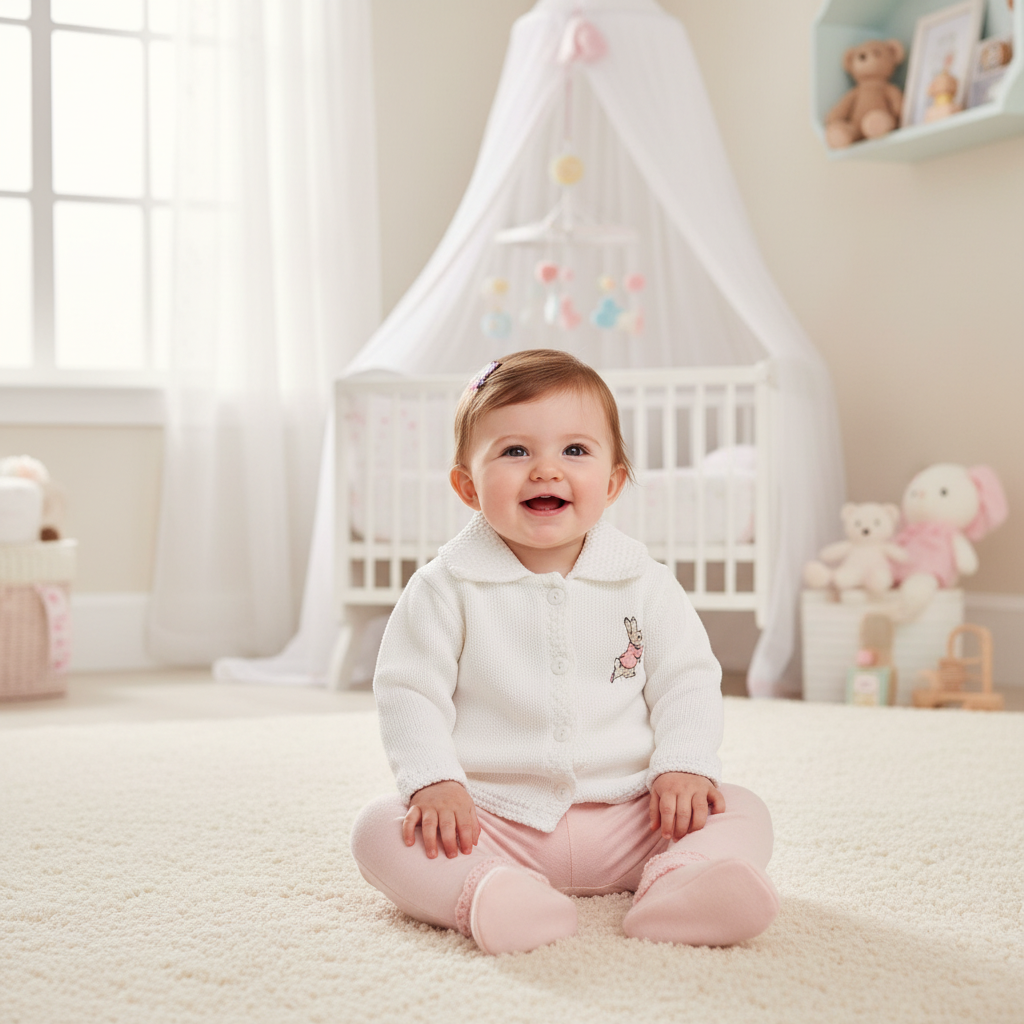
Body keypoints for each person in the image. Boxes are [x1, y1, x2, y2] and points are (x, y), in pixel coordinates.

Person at [349, 349, 779, 955]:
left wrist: (683, 765)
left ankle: (681, 887)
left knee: (742, 809)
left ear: (612, 482)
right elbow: (409, 689)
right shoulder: (447, 586)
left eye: (574, 451)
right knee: (379, 830)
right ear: (468, 486)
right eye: (515, 451)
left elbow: (686, 679)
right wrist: (434, 783)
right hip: (493, 820)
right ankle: (493, 894)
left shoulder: (643, 581)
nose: (546, 470)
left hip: (636, 815)